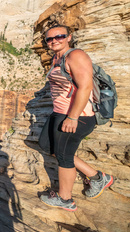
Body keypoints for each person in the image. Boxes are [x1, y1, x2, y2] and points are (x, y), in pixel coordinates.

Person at [38, 24, 114, 212]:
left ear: (69, 37)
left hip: (78, 115)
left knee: (64, 156)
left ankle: (65, 199)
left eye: (59, 36)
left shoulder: (76, 56)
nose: (54, 40)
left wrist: (72, 117)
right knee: (47, 146)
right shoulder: (57, 58)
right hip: (60, 113)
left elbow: (85, 87)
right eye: (50, 39)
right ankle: (97, 177)